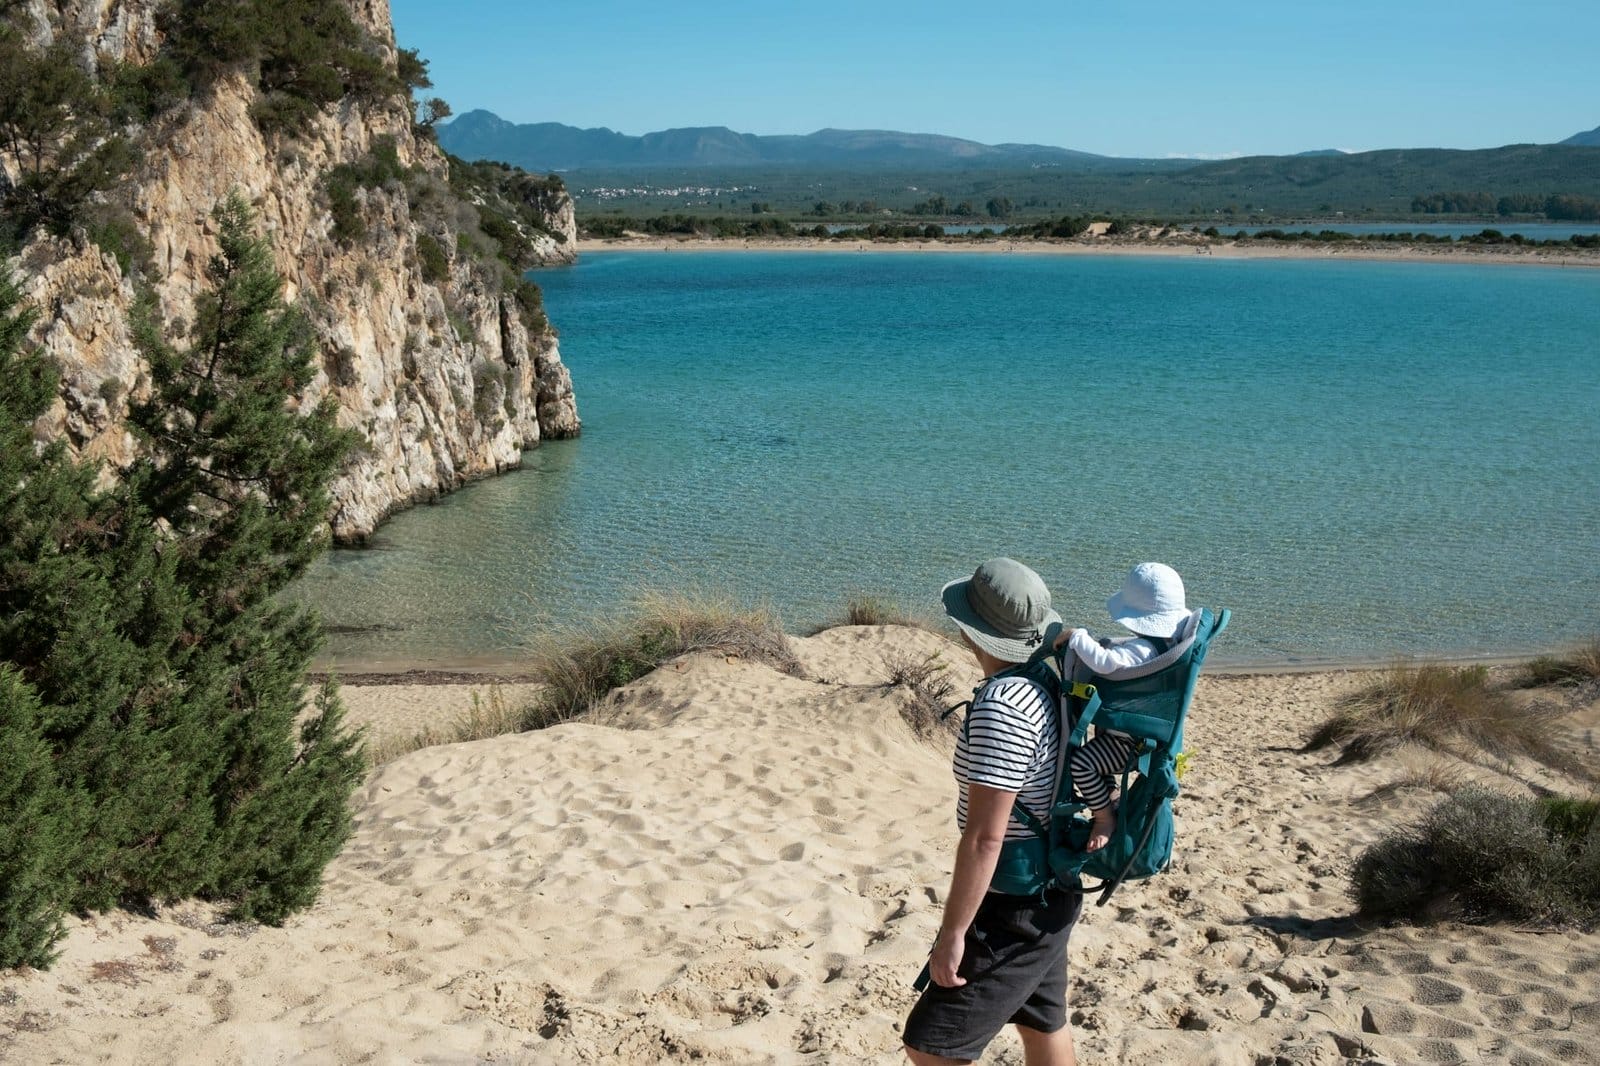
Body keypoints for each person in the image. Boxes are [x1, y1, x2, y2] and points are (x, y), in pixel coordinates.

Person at [902, 558, 1082, 1066]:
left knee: (931, 1044)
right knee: (1043, 1024)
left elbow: (985, 838)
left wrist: (952, 934)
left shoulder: (1003, 705)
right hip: (1052, 889)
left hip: (1014, 904)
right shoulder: (1045, 680)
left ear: (968, 631)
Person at [1054, 562, 1192, 852]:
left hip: (1126, 746)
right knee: (1092, 757)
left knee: (1081, 764)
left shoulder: (1139, 651)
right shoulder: (1171, 644)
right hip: (1145, 740)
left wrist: (1078, 637)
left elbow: (1107, 662)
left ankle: (1104, 818)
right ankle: (1111, 797)